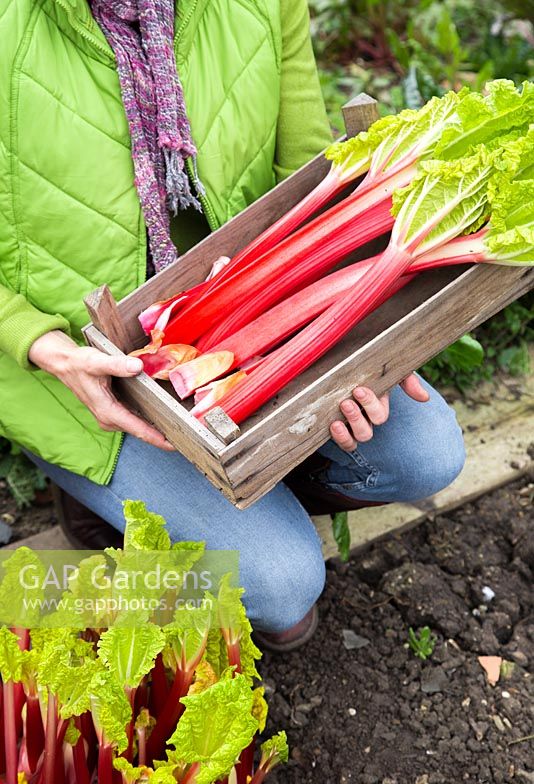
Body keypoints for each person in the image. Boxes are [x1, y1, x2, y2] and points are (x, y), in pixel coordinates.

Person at [0, 0, 465, 650]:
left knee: (428, 453)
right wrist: (39, 344)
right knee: (283, 584)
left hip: (249, 333)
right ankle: (107, 513)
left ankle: (252, 487)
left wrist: (361, 320)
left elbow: (309, 170)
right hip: (77, 373)